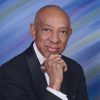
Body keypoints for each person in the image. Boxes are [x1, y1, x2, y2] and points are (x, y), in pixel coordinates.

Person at [0, 5, 88, 100]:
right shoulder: (10, 73)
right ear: (33, 30)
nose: (55, 39)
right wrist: (54, 86)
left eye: (62, 32)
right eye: (47, 30)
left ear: (69, 34)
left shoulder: (75, 69)